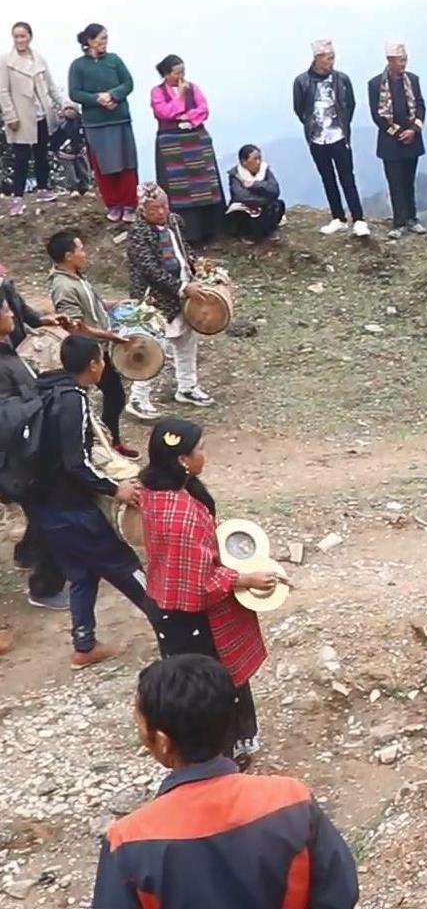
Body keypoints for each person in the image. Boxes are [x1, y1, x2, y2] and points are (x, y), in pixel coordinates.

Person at [91, 655, 359, 906]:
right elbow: (340, 892)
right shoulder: (292, 800)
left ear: (163, 741)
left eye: (140, 723)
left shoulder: (127, 841)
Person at [140, 419, 277, 767]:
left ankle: (221, 751)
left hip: (169, 606)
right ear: (182, 460)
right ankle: (217, 759)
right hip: (192, 618)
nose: (205, 455)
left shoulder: (157, 493)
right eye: (200, 449)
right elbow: (199, 585)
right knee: (208, 689)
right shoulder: (182, 516)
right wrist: (244, 578)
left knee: (206, 686)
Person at [33, 334, 154, 668]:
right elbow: (76, 462)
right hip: (73, 508)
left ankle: (84, 646)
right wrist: (115, 489)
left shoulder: (46, 389)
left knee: (83, 575)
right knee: (126, 567)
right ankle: (172, 625)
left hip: (46, 507)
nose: (105, 364)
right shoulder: (74, 400)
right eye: (102, 359)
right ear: (93, 365)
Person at [0, 295, 69, 612]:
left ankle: (26, 553)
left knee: (39, 514)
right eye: (4, 310)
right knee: (49, 517)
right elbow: (6, 417)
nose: (10, 313)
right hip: (16, 460)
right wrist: (44, 400)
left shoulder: (7, 351)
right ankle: (44, 587)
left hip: (21, 457)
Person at [47, 229, 137, 451]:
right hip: (86, 352)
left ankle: (110, 442)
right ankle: (92, 446)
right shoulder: (63, 287)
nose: (85, 253)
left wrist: (115, 303)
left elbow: (91, 306)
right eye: (81, 249)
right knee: (82, 400)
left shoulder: (75, 276)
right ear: (69, 255)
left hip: (97, 349)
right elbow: (76, 327)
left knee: (114, 395)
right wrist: (110, 336)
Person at [126, 185, 213, 412]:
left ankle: (187, 386)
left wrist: (197, 265)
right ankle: (138, 398)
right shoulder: (138, 232)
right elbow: (150, 270)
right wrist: (182, 288)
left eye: (165, 206)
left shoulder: (173, 222)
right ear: (143, 210)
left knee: (187, 341)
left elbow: (181, 250)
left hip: (182, 293)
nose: (162, 212)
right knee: (153, 347)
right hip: (154, 298)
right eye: (156, 208)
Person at [292, 39, 366, 237]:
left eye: (332, 58)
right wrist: (312, 124)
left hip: (339, 136)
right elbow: (300, 110)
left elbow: (350, 104)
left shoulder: (342, 79)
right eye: (327, 58)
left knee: (347, 177)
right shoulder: (302, 82)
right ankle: (338, 217)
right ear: (317, 58)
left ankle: (358, 219)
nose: (331, 62)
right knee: (327, 177)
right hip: (317, 138)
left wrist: (343, 125)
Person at [66, 23, 140, 223]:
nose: (105, 42)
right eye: (101, 38)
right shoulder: (78, 65)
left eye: (106, 38)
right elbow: (75, 92)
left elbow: (128, 83)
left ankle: (130, 204)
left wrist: (113, 95)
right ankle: (114, 204)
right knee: (104, 166)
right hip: (96, 123)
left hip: (119, 118)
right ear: (89, 41)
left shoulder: (114, 60)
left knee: (127, 163)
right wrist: (97, 99)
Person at [148, 55, 224, 246]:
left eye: (183, 71)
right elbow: (163, 112)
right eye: (177, 72)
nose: (181, 76)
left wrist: (188, 118)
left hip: (195, 138)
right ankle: (187, 233)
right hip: (171, 143)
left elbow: (203, 109)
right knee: (178, 188)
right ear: (166, 74)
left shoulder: (194, 88)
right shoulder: (157, 92)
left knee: (204, 182)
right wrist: (180, 98)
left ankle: (212, 230)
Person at [2, 22, 73, 216]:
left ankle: (43, 188)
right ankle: (17, 197)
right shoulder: (6, 61)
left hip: (41, 113)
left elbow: (51, 87)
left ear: (29, 37)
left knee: (42, 154)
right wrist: (10, 115)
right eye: (16, 36)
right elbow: (3, 91)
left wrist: (65, 104)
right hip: (20, 116)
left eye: (23, 36)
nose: (19, 40)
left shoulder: (39, 59)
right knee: (21, 158)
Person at [368, 41, 427, 238]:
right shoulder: (376, 84)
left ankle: (412, 218)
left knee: (409, 181)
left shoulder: (412, 80)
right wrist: (396, 132)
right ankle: (399, 221)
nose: (403, 64)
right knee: (395, 182)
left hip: (412, 138)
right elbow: (377, 115)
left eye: (405, 60)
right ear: (390, 60)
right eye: (400, 60)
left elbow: (420, 106)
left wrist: (413, 130)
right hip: (390, 143)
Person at [223, 145, 286, 241]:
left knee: (278, 205)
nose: (258, 162)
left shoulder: (265, 171)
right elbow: (240, 196)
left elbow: (274, 190)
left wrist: (254, 184)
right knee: (239, 211)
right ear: (244, 162)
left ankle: (269, 231)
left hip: (265, 207)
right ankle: (247, 235)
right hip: (247, 210)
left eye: (259, 158)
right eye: (255, 159)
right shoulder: (235, 175)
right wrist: (264, 199)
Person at [50, 106, 94, 195]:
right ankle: (73, 189)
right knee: (70, 172)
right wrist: (53, 150)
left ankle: (84, 188)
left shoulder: (82, 122)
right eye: (66, 109)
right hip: (64, 153)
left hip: (79, 152)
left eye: (71, 109)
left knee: (83, 170)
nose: (69, 112)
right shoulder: (60, 124)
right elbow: (54, 138)